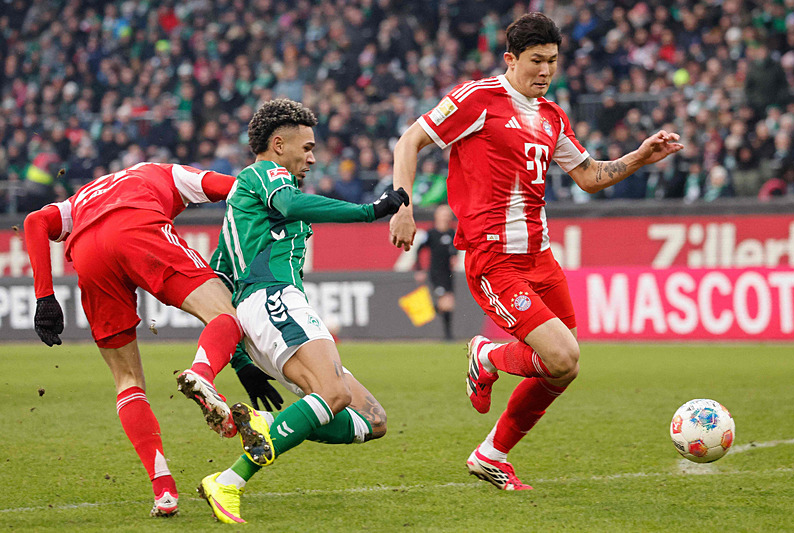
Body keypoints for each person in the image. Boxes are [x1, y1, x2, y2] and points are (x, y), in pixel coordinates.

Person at [389, 12, 683, 490]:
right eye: (536, 61)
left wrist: (638, 157)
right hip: (494, 259)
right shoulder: (478, 98)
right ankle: (486, 356)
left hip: (540, 258)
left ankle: (491, 454)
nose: (545, 71)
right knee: (561, 356)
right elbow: (410, 141)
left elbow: (588, 175)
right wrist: (403, 206)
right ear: (511, 59)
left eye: (552, 61)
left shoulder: (552, 115)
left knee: (563, 368)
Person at [22, 162, 279, 517]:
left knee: (127, 380)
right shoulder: (163, 172)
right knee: (226, 314)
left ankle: (164, 491)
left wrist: (44, 296)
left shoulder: (80, 198)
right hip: (140, 229)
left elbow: (34, 221)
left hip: (88, 251)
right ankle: (202, 374)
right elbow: (239, 188)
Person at [197, 98, 408, 524]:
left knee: (372, 419)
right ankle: (229, 481)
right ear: (278, 145)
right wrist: (370, 211)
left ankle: (265, 424)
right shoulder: (265, 174)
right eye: (307, 148)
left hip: (264, 313)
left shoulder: (240, 212)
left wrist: (243, 362)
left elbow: (220, 281)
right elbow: (293, 206)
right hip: (275, 300)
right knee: (333, 395)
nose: (312, 158)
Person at [414, 203, 458, 340]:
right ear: (437, 216)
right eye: (443, 214)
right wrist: (419, 270)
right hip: (436, 273)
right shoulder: (431, 234)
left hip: (448, 273)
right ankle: (448, 335)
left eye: (447, 214)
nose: (445, 217)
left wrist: (454, 256)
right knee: (446, 302)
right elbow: (418, 250)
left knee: (449, 305)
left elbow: (454, 249)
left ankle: (447, 334)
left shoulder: (452, 233)